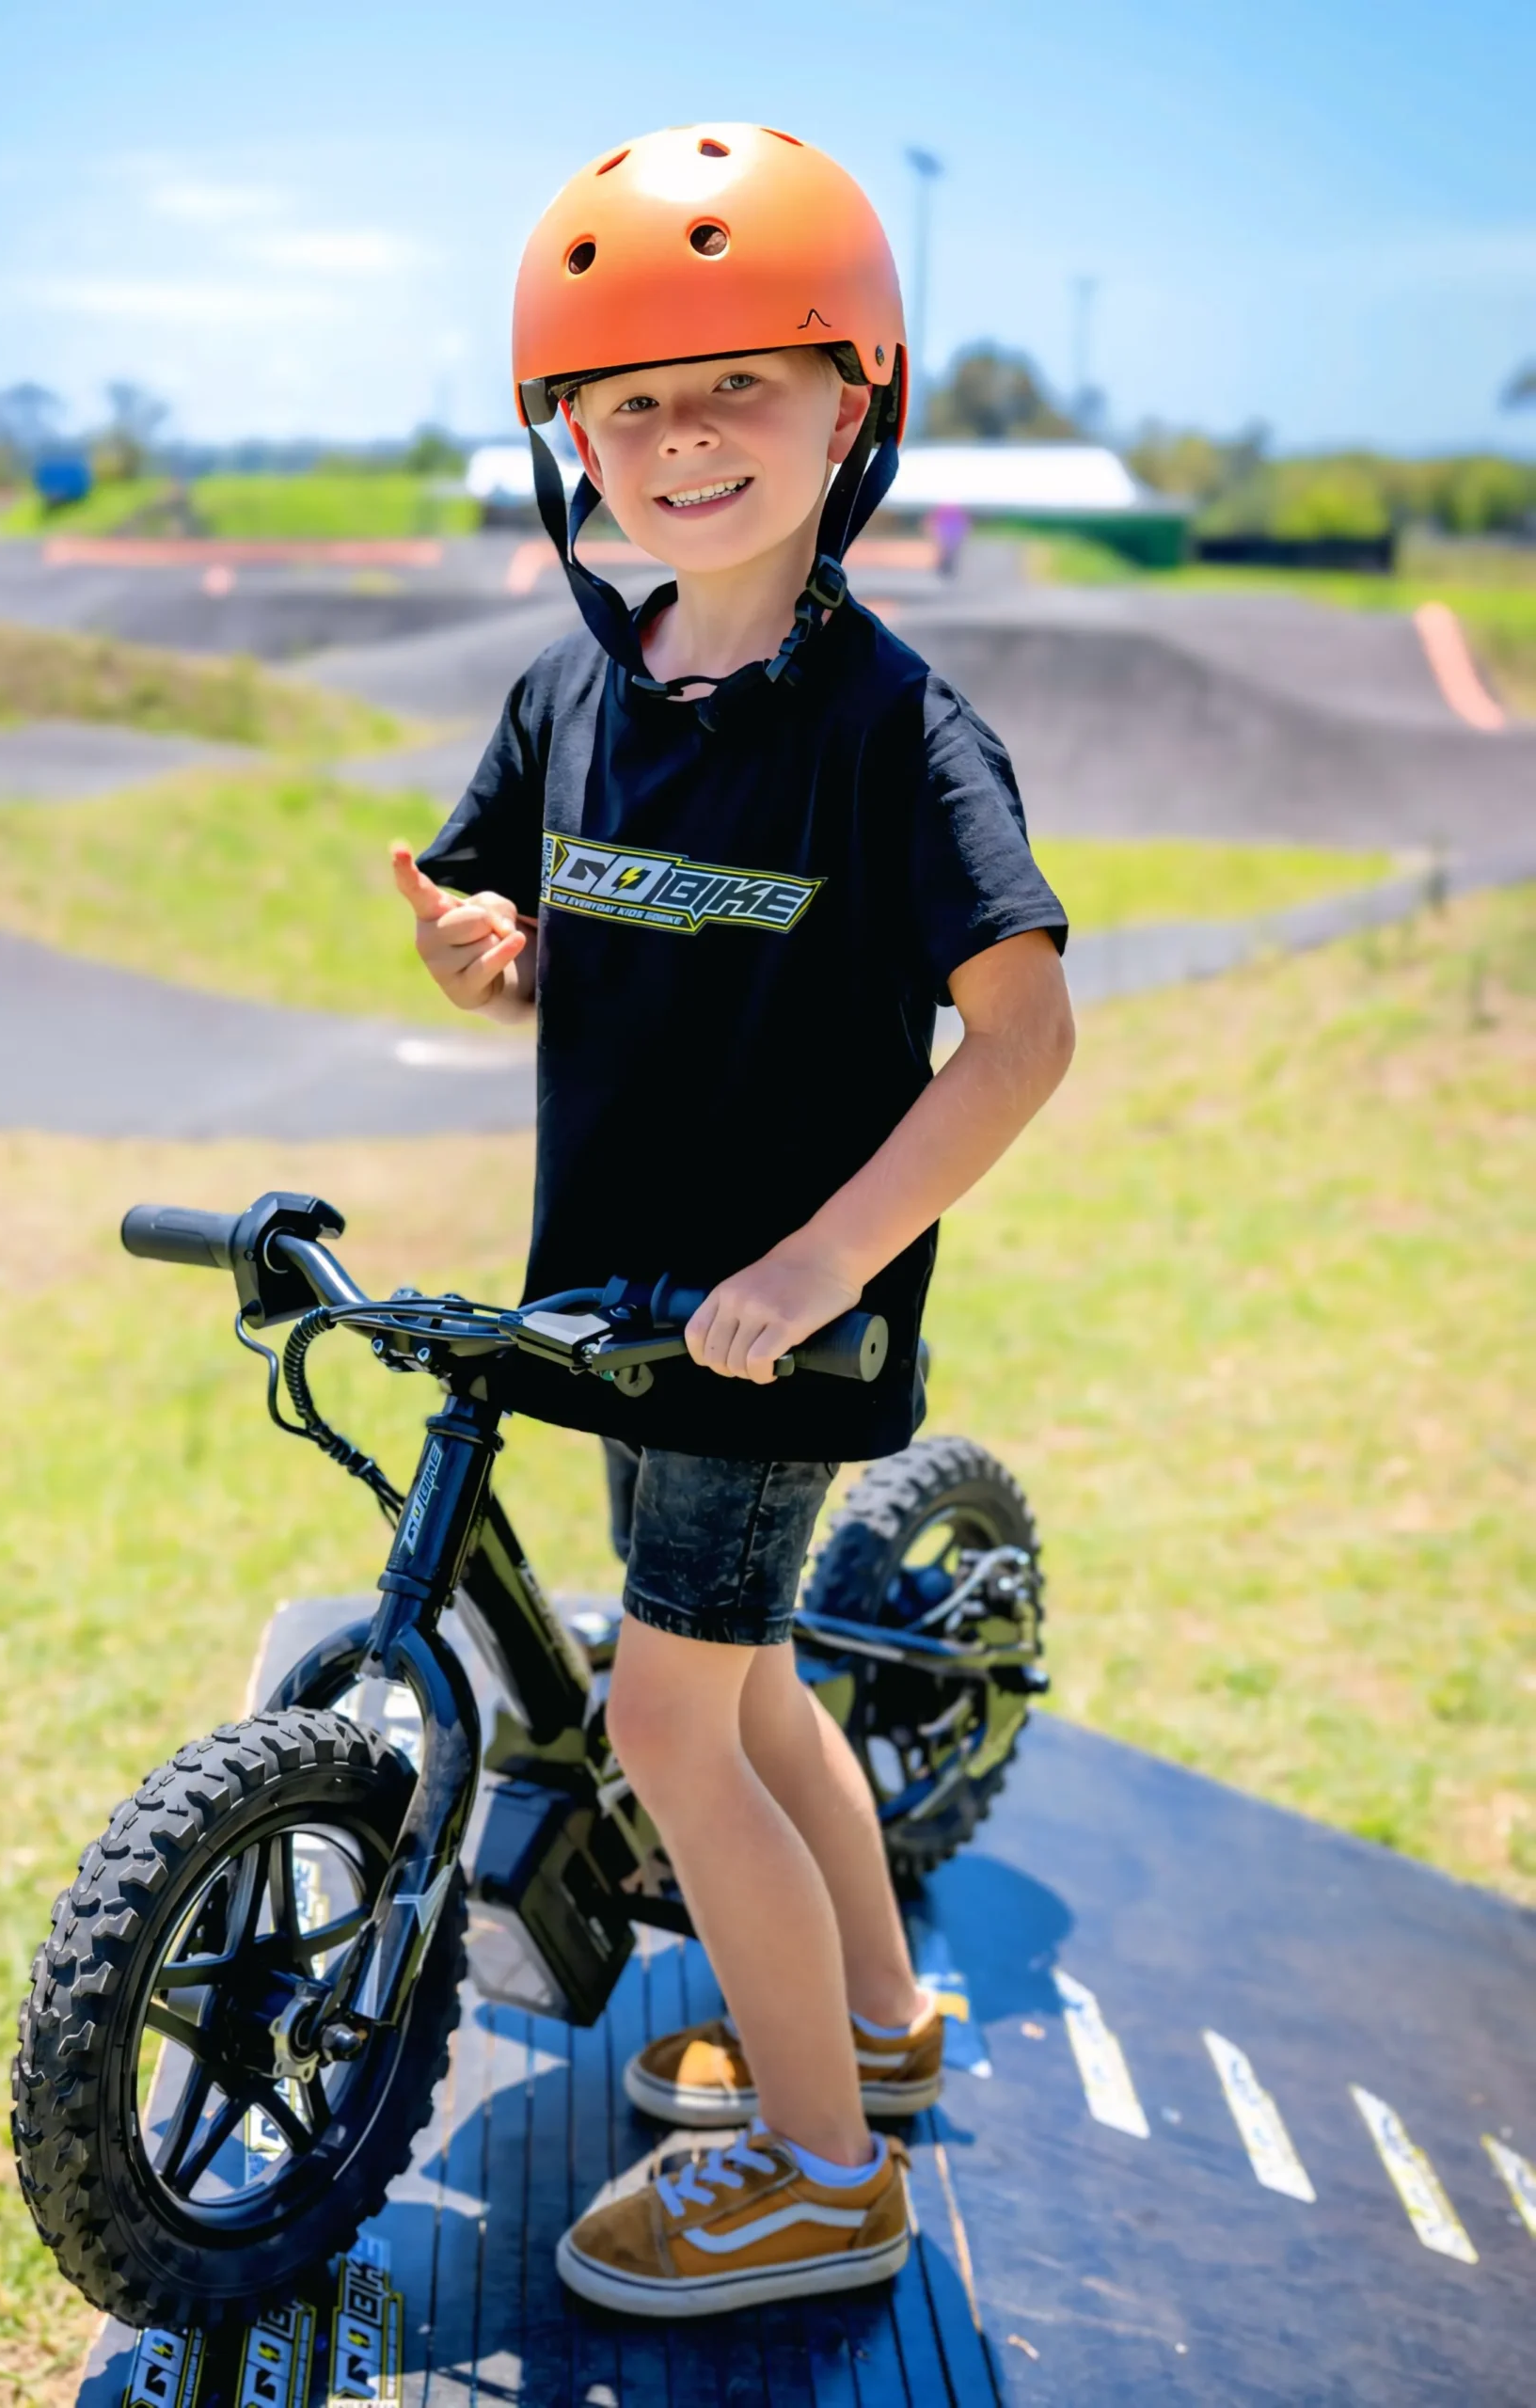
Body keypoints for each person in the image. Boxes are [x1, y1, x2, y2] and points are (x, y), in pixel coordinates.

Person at [390, 122, 1072, 2319]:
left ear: (855, 397)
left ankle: (812, 2165)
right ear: (563, 435)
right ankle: (863, 2030)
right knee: (750, 1686)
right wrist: (484, 951)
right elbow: (516, 909)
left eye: (738, 387)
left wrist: (820, 1261)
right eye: (628, 399)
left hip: (771, 1326)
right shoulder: (574, 687)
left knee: (674, 1722)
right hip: (618, 1294)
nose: (680, 440)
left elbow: (1024, 1039)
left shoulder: (895, 732)